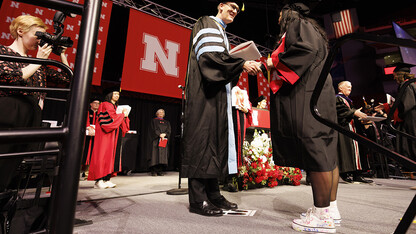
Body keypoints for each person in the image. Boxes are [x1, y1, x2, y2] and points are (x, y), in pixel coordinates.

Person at [265, 2, 340, 232]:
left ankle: (321, 218)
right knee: (326, 155)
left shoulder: (299, 24)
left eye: (280, 14)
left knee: (316, 154)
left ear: (288, 14)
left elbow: (303, 52)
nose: (278, 18)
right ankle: (330, 209)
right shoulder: (315, 29)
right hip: (321, 96)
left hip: (308, 98)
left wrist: (273, 62)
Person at [181, 0, 261, 217]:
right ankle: (198, 200)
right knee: (202, 142)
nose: (235, 11)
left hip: (216, 96)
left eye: (237, 9)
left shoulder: (221, 32)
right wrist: (241, 64)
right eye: (232, 5)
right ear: (220, 5)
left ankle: (213, 194)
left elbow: (220, 61)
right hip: (204, 95)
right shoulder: (207, 23)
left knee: (214, 143)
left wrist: (237, 64)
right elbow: (210, 59)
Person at [0, 15, 70, 192]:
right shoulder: (4, 52)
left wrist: (61, 54)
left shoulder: (39, 64)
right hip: (10, 115)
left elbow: (67, 78)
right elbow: (12, 78)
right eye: (37, 35)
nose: (39, 41)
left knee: (18, 171)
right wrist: (37, 60)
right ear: (20, 31)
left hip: (32, 117)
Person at [375, 62, 416, 167]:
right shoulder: (412, 83)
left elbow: (406, 105)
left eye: (394, 76)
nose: (394, 79)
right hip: (412, 118)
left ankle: (411, 169)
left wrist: (389, 108)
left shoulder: (406, 85)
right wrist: (388, 106)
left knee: (410, 144)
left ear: (399, 75)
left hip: (410, 121)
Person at [88, 88, 130, 189]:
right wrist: (122, 115)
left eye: (118, 94)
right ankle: (98, 181)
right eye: (115, 93)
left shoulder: (115, 106)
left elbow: (118, 119)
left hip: (114, 135)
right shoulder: (105, 104)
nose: (117, 95)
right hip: (105, 135)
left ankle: (106, 179)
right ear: (109, 94)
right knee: (103, 156)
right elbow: (109, 119)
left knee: (111, 157)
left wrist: (124, 117)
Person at [336, 81, 373, 183]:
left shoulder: (348, 100)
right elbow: (340, 112)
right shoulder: (338, 98)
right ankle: (345, 173)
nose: (350, 88)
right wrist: (354, 112)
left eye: (351, 87)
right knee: (348, 151)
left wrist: (360, 118)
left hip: (353, 128)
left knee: (357, 150)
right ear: (340, 88)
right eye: (347, 87)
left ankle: (357, 174)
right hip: (344, 129)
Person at [223, 86, 252, 192]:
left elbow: (248, 109)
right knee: (230, 145)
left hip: (240, 117)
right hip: (230, 118)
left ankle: (235, 177)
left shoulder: (242, 92)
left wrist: (245, 109)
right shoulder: (228, 91)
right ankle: (227, 179)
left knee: (238, 147)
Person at [80, 96, 101, 180]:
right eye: (95, 103)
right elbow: (84, 121)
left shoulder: (100, 114)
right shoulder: (87, 112)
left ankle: (88, 173)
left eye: (98, 103)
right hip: (86, 136)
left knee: (93, 154)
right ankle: (81, 172)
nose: (97, 105)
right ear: (91, 104)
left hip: (96, 137)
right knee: (84, 152)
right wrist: (88, 127)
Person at [149, 109, 171, 176]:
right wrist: (159, 134)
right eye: (160, 112)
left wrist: (165, 134)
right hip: (156, 140)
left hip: (164, 140)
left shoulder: (167, 122)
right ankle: (154, 171)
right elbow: (153, 130)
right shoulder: (154, 121)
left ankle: (160, 170)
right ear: (157, 113)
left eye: (162, 112)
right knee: (155, 155)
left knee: (162, 156)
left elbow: (169, 130)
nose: (161, 113)